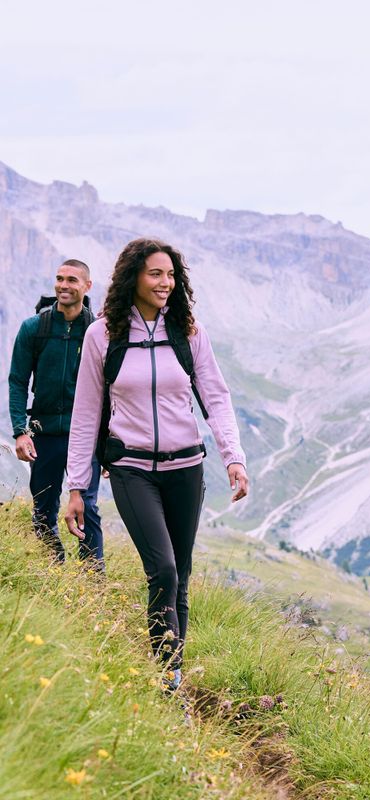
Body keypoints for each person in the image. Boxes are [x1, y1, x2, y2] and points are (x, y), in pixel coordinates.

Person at [65, 238, 248, 691]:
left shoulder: (189, 332)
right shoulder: (103, 335)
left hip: (186, 468)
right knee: (162, 569)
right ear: (134, 278)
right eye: (155, 274)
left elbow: (216, 399)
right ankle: (166, 675)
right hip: (131, 468)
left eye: (171, 275)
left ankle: (172, 679)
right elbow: (87, 413)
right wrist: (75, 485)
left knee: (180, 577)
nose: (165, 283)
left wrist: (233, 459)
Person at [8, 259, 104, 566]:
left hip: (86, 436)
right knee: (43, 508)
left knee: (87, 506)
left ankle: (92, 577)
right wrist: (21, 431)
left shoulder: (98, 331)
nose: (63, 285)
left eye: (72, 280)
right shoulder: (34, 328)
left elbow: (112, 389)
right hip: (45, 431)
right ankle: (52, 568)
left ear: (87, 286)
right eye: (60, 279)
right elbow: (18, 380)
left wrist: (110, 441)